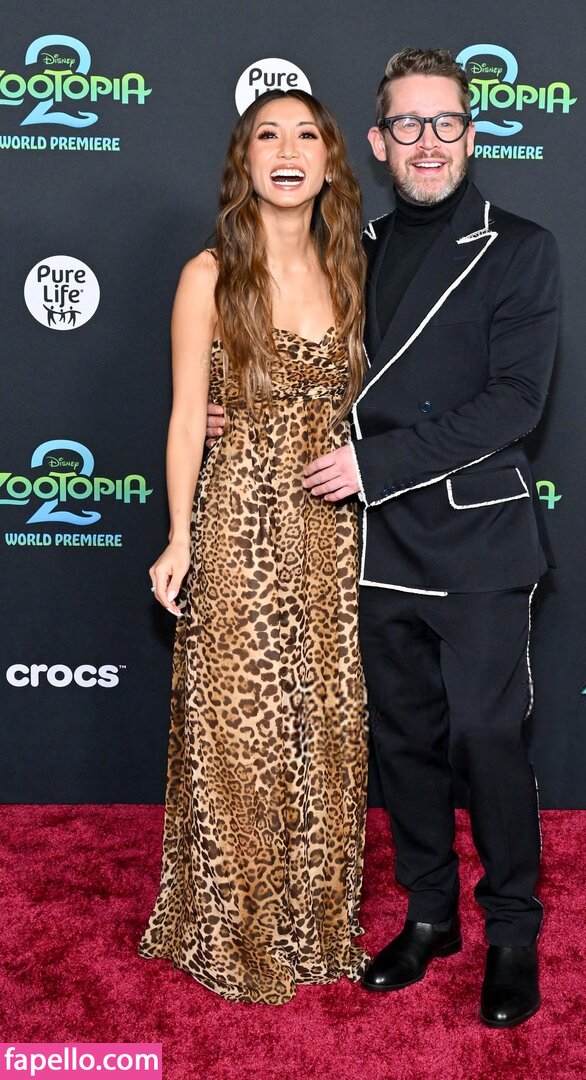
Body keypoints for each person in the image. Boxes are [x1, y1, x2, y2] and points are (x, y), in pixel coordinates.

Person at [208, 48, 560, 1027]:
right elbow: (304, 366)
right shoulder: (348, 248)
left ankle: (514, 930)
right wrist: (238, 415)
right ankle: (431, 916)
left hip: (476, 540)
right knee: (402, 742)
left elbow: (515, 403)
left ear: (472, 135)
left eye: (445, 123)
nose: (427, 142)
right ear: (377, 141)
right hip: (370, 545)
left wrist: (379, 464)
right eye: (408, 124)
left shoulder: (519, 247)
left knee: (486, 738)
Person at [139, 88, 369, 1005]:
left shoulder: (356, 266)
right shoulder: (210, 274)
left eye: (306, 135)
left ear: (330, 160)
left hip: (335, 527)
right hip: (239, 518)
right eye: (267, 135)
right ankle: (233, 927)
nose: (287, 150)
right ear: (245, 160)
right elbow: (186, 417)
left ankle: (317, 923)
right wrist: (179, 536)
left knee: (327, 724)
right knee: (242, 728)